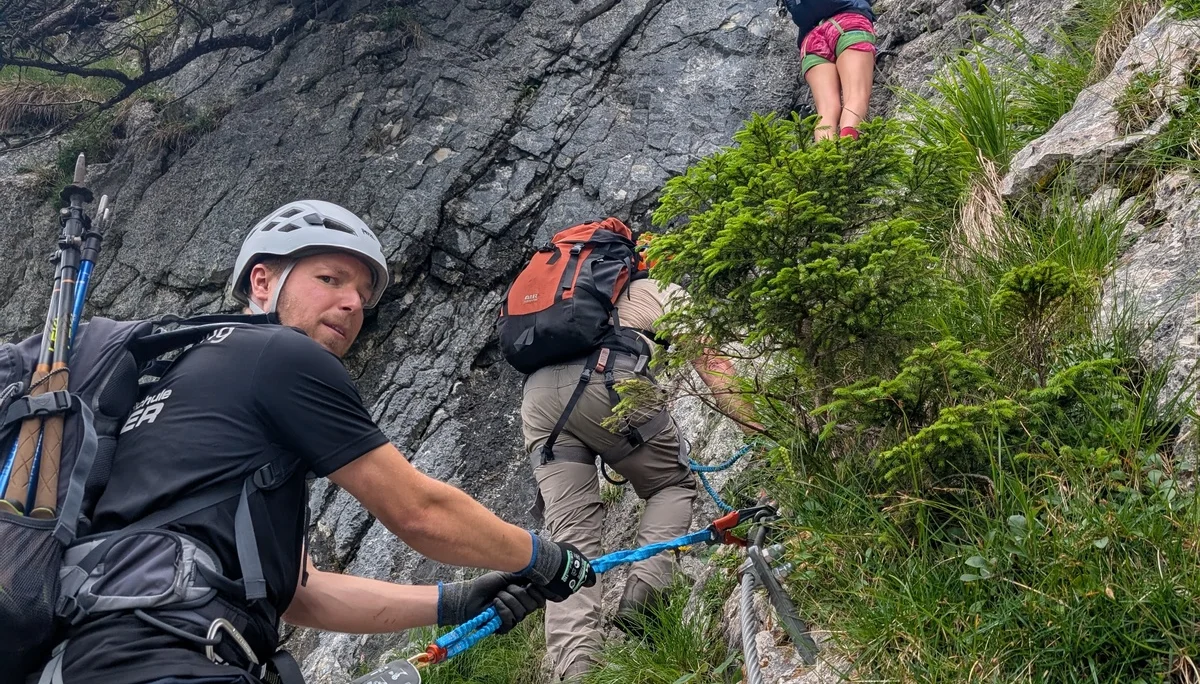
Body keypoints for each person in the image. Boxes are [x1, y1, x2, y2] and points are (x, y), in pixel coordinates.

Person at [47, 200, 595, 684]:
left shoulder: (178, 378)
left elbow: (302, 593)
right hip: (168, 655)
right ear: (262, 282)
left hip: (89, 654)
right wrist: (543, 557)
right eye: (331, 279)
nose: (354, 303)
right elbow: (418, 511)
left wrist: (452, 601)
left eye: (361, 293)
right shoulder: (280, 355)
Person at [520, 226, 757, 682]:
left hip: (539, 405)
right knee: (670, 484)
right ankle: (645, 593)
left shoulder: (551, 308)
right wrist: (762, 426)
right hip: (611, 384)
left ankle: (577, 670)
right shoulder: (656, 289)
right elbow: (716, 367)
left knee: (572, 541)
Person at [781, 0, 878, 141]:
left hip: (810, 40)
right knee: (855, 96)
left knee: (826, 112)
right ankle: (848, 148)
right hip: (847, 21)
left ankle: (827, 158)